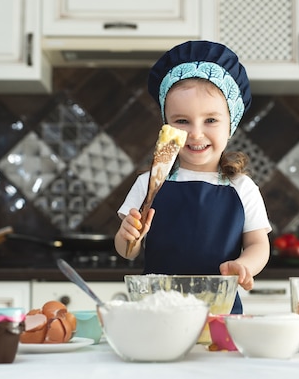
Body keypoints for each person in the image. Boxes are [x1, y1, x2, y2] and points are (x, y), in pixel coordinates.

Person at [114, 40, 271, 314]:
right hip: (158, 310)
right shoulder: (149, 184)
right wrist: (129, 237)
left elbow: (259, 245)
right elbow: (128, 251)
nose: (196, 133)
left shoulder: (242, 188)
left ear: (230, 125)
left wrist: (244, 265)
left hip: (220, 311)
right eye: (182, 121)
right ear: (167, 126)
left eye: (210, 120)